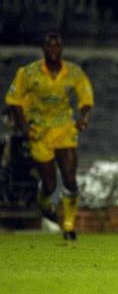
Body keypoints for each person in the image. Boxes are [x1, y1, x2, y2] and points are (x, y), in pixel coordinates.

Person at [5, 32, 93, 240]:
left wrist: (84, 117)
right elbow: (14, 100)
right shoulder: (27, 73)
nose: (53, 50)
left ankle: (69, 224)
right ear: (43, 49)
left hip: (64, 128)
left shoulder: (73, 72)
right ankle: (44, 202)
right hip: (39, 131)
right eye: (49, 46)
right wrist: (24, 127)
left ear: (61, 49)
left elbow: (85, 97)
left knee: (70, 177)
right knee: (50, 183)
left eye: (57, 46)